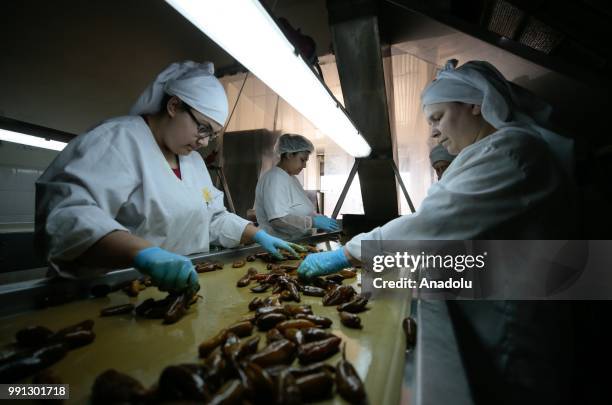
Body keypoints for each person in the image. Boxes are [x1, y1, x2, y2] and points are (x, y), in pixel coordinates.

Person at [297, 60, 576, 403]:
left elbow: (433, 224)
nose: (434, 133)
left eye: (438, 117)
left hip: (515, 318)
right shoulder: (494, 150)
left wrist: (347, 253)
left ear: (476, 104)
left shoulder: (512, 151)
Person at [35, 61, 303, 292]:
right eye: (202, 128)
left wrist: (256, 235)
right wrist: (142, 253)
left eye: (211, 134)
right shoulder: (117, 140)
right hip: (107, 291)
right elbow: (67, 215)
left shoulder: (193, 162)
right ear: (174, 105)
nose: (203, 141)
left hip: (173, 290)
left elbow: (213, 217)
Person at [254, 133, 340, 239]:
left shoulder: (291, 178)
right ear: (289, 155)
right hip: (280, 245)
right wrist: (312, 222)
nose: (304, 165)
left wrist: (315, 217)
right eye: (302, 160)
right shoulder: (275, 179)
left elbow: (297, 209)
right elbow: (278, 220)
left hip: (296, 242)